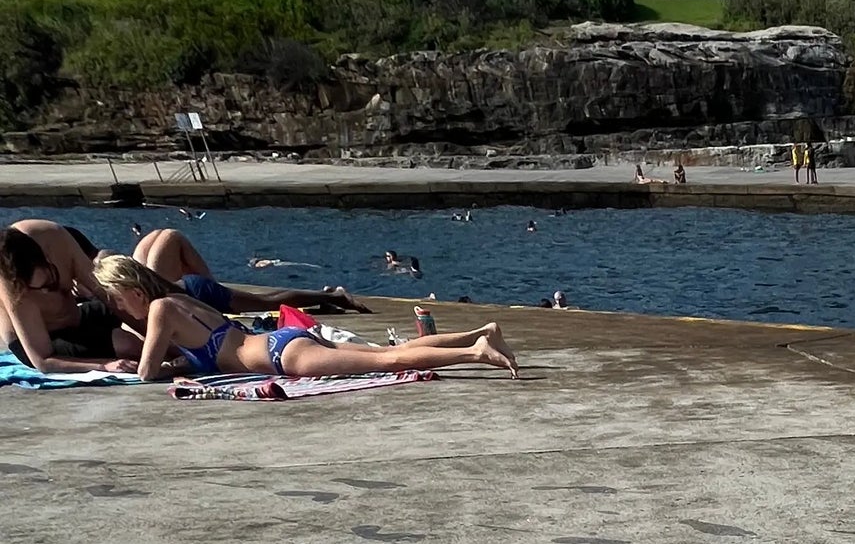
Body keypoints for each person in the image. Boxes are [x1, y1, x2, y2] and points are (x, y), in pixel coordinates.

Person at [94, 256, 518, 381]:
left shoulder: (158, 310)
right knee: (390, 351)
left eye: (116, 300)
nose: (118, 308)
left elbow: (148, 373)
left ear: (132, 292)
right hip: (281, 341)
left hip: (284, 357)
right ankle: (483, 331)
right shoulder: (181, 298)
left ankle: (476, 352)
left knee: (386, 362)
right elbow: (211, 349)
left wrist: (113, 363)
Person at [0, 221, 135, 373]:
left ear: (47, 257)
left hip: (76, 318)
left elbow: (107, 294)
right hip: (43, 341)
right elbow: (42, 360)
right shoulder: (12, 285)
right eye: (38, 290)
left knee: (135, 303)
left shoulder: (55, 237)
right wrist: (103, 365)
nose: (45, 292)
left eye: (50, 285)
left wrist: (154, 333)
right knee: (126, 344)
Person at [130, 227, 363, 314]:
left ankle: (335, 296)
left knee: (266, 301)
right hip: (186, 288)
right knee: (162, 237)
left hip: (193, 291)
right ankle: (330, 296)